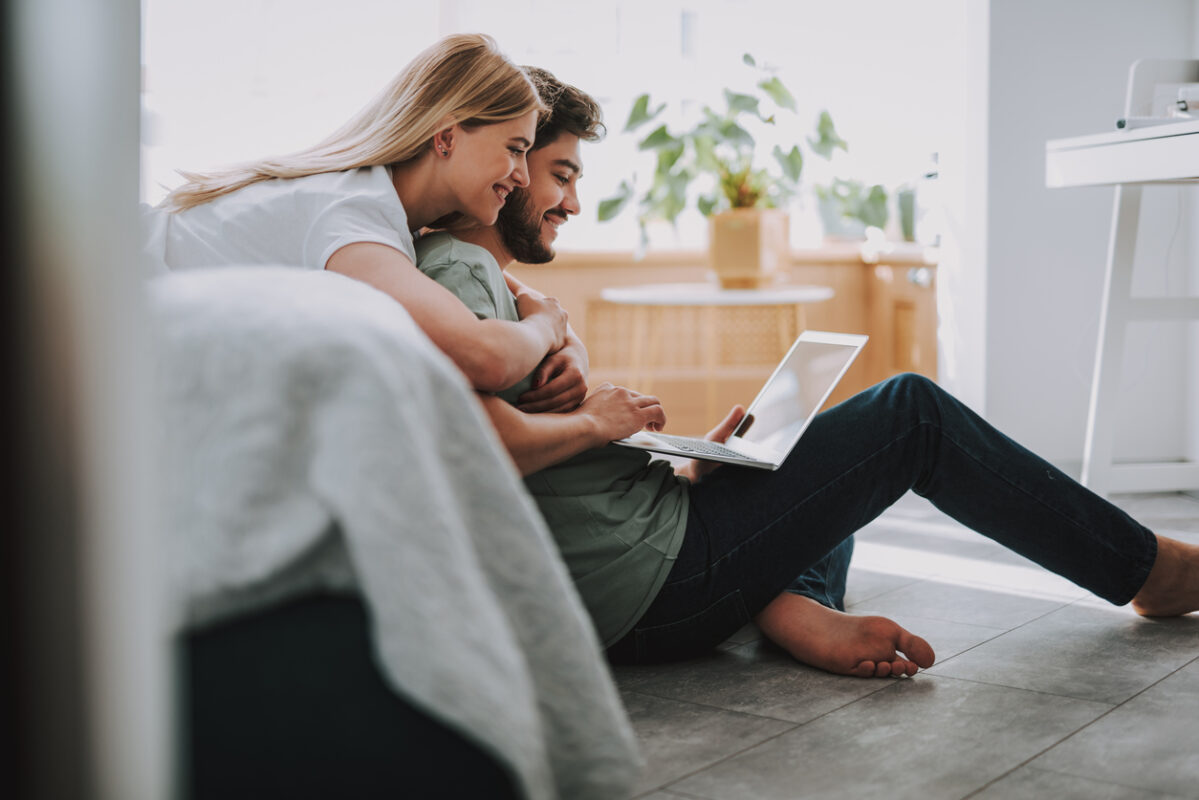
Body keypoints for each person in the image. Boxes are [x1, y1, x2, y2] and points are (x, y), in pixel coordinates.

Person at [414, 65, 1199, 680]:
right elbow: (481, 450)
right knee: (910, 414)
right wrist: (604, 423)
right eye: (550, 169)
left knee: (796, 447)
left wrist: (684, 468)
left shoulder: (481, 285)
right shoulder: (460, 278)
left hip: (649, 559)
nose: (563, 199)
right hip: (653, 590)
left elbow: (547, 485)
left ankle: (793, 601)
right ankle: (1149, 571)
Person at [143, 33, 587, 400]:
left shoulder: (378, 207)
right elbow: (485, 358)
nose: (523, 176)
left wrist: (565, 335)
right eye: (515, 149)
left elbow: (486, 282)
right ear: (447, 137)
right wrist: (548, 326)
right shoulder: (354, 218)